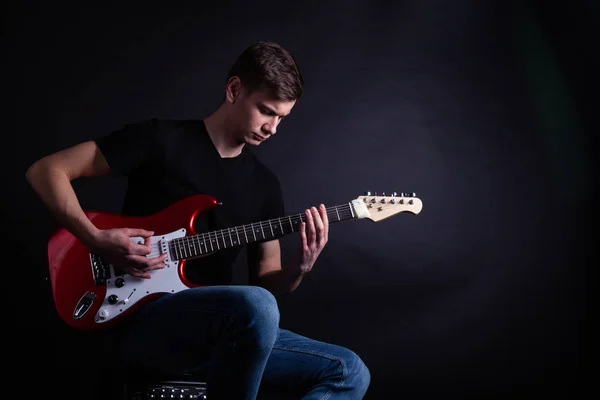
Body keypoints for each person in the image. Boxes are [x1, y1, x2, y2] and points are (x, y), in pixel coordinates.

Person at [26, 41, 370, 399]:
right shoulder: (159, 139)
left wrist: (300, 266)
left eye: (282, 118)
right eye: (267, 111)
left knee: (349, 371)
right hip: (143, 321)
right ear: (234, 89)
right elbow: (46, 170)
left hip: (224, 336)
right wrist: (95, 238)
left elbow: (267, 283)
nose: (273, 128)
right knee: (257, 305)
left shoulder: (264, 186)